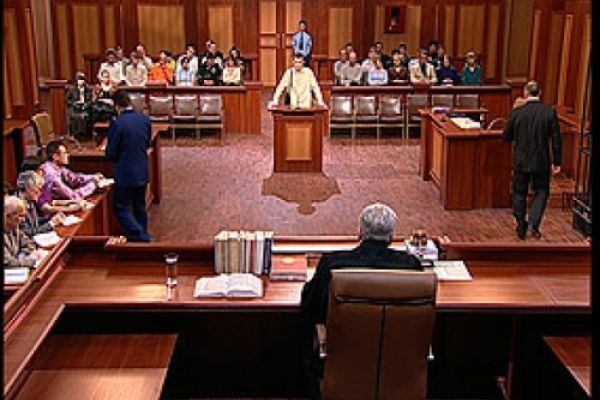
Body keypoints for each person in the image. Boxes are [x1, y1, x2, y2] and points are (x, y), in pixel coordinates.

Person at [300, 203, 423, 399]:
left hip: (343, 362)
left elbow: (310, 305)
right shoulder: (411, 266)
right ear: (391, 236)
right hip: (397, 366)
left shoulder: (333, 264)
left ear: (360, 232)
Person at [503, 81, 562, 239]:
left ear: (525, 93)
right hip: (541, 160)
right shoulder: (549, 112)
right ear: (540, 93)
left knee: (519, 192)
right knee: (542, 191)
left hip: (521, 160)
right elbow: (556, 139)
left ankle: (521, 225)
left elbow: (506, 136)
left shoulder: (517, 113)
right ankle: (534, 224)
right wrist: (557, 162)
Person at [106, 90, 152, 242]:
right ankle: (142, 236)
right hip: (142, 170)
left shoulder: (117, 123)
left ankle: (141, 236)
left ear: (116, 106)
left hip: (125, 174)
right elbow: (147, 143)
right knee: (140, 206)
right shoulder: (145, 119)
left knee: (121, 207)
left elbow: (111, 152)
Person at [39, 140, 102, 210]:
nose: (68, 155)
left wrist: (92, 177)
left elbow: (74, 178)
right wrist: (93, 184)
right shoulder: (51, 175)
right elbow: (72, 196)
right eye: (65, 153)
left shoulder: (58, 167)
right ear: (55, 156)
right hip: (51, 209)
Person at [16, 171, 64, 238]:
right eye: (38, 189)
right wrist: (51, 224)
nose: (40, 193)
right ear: (28, 188)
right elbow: (27, 232)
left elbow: (34, 222)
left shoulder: (30, 199)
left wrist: (52, 218)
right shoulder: (16, 205)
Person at [4, 196, 42, 269]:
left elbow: (29, 242)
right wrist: (31, 260)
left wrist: (23, 255)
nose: (24, 220)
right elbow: (8, 263)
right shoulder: (12, 225)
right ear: (8, 216)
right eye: (21, 216)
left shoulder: (14, 226)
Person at [65, 71, 93, 139]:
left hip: (85, 107)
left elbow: (90, 100)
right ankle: (76, 135)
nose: (81, 81)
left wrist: (86, 105)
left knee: (86, 116)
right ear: (76, 80)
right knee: (76, 116)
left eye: (82, 79)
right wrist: (74, 104)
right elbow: (67, 100)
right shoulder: (72, 89)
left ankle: (85, 135)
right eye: (79, 79)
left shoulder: (88, 89)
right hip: (75, 107)